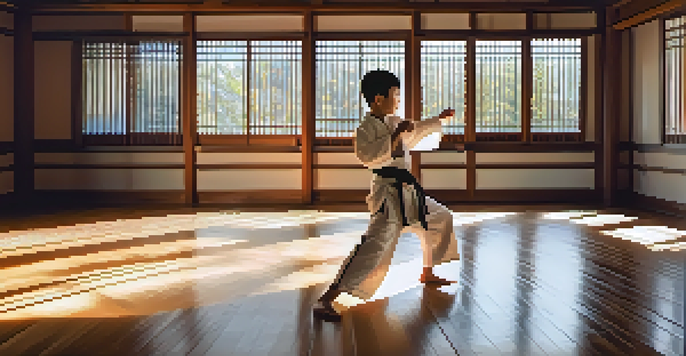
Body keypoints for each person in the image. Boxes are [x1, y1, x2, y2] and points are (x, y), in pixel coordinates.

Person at [313, 69, 461, 322]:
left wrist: (438, 119)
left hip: (408, 191)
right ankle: (327, 298)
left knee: (438, 218)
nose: (399, 99)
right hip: (387, 196)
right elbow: (369, 157)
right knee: (374, 245)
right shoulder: (364, 130)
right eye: (395, 94)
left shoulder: (394, 122)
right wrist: (394, 136)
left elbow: (416, 131)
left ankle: (428, 271)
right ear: (379, 98)